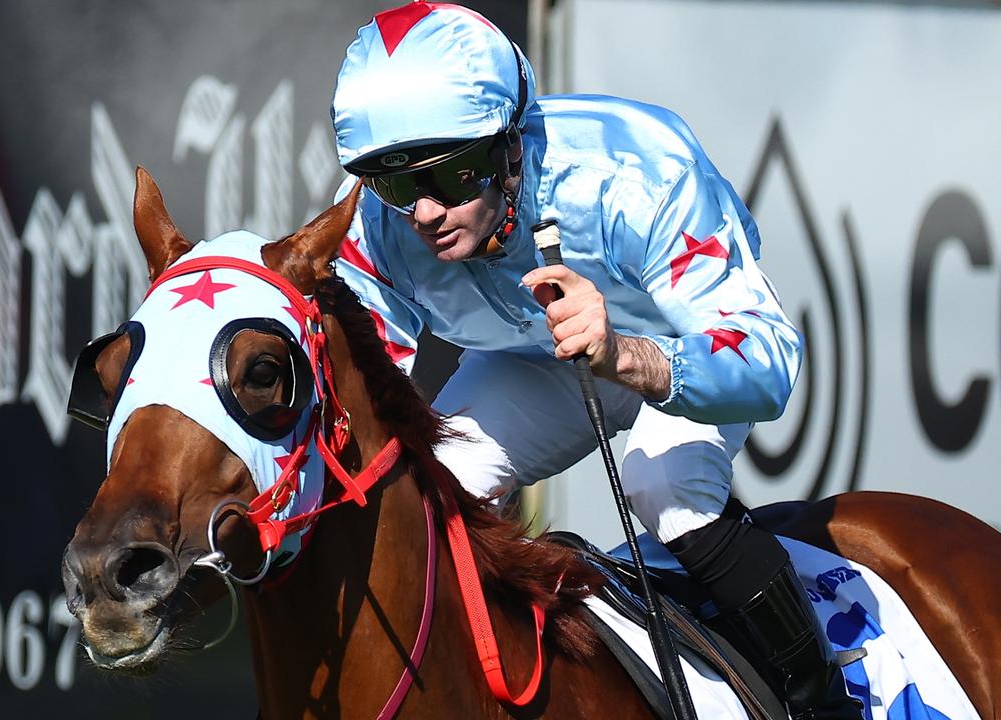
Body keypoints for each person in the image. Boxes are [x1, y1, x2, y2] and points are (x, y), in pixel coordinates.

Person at [328, 3, 859, 718]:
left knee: (663, 483)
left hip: (671, 349)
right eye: (394, 181)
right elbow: (356, 398)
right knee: (428, 496)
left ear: (511, 147)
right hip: (536, 359)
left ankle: (823, 700)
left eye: (450, 177)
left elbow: (770, 365)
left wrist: (624, 354)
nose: (421, 213)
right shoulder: (374, 219)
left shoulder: (636, 172)